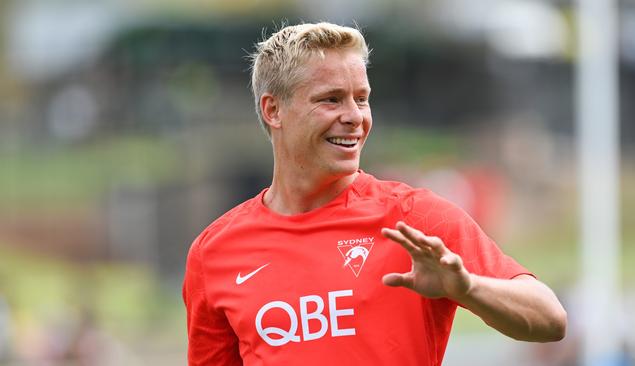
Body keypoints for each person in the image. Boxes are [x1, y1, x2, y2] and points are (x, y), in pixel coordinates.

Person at [182, 22, 567, 366]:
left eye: (361, 98)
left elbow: (550, 319)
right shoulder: (215, 252)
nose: (355, 116)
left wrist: (468, 287)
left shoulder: (415, 222)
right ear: (273, 110)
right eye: (330, 99)